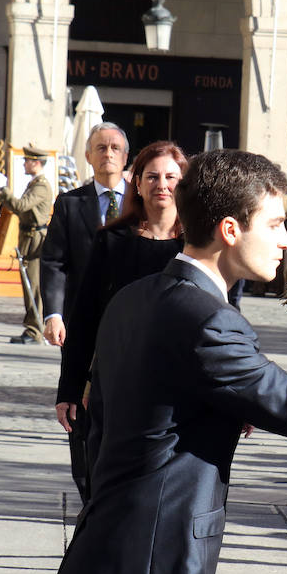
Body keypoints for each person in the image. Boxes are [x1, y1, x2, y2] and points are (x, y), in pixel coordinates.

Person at [49, 149, 287, 574]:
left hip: (109, 560)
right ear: (230, 230)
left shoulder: (134, 297)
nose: (286, 241)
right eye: (275, 225)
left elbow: (112, 424)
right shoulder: (211, 320)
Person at [55, 141, 187, 503]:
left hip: (178, 386)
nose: (162, 184)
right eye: (153, 176)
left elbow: (220, 321)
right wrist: (69, 389)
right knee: (104, 482)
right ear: (138, 184)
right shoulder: (112, 241)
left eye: (171, 177)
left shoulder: (197, 246)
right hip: (116, 381)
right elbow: (83, 318)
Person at [41, 122, 129, 347]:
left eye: (115, 148)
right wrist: (53, 315)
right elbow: (54, 262)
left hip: (131, 318)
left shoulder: (141, 203)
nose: (108, 153)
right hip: (80, 319)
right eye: (101, 148)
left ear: (125, 157)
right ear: (88, 156)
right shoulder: (68, 204)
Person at [0, 145, 53, 344]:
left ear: (36, 163)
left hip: (35, 239)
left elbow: (20, 206)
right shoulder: (35, 184)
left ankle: (35, 330)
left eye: (27, 161)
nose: (24, 164)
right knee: (29, 284)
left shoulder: (41, 186)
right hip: (28, 237)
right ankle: (32, 327)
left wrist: (4, 190)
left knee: (34, 286)